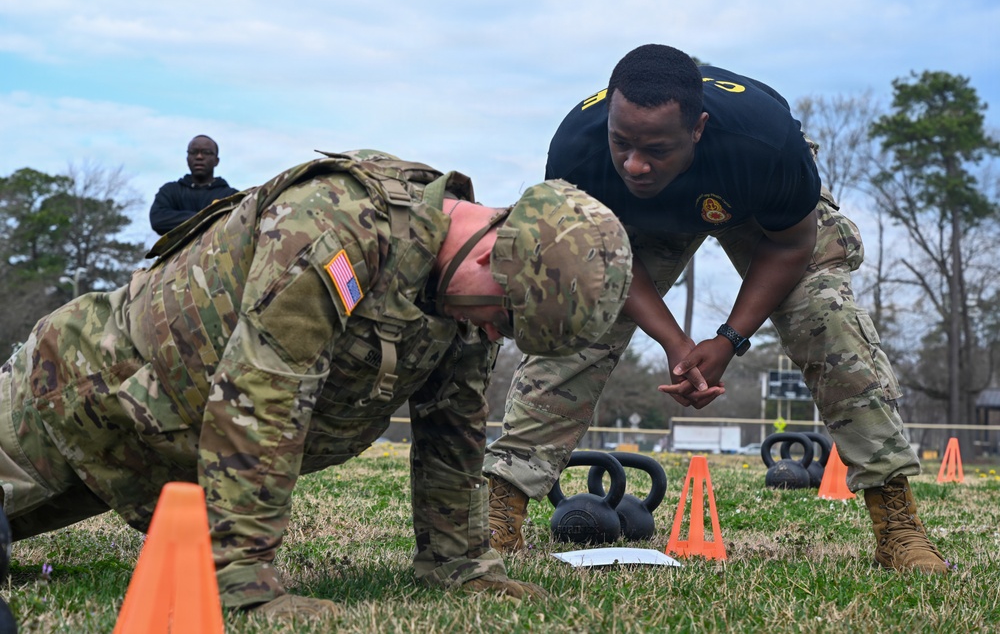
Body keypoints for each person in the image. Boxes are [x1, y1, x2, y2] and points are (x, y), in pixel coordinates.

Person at [0, 149, 633, 618]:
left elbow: (454, 431)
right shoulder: (338, 222)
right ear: (490, 255)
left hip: (160, 452)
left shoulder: (459, 304)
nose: (496, 334)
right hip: (79, 394)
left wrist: (461, 564)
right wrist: (243, 580)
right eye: (504, 317)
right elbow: (265, 391)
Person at [485, 44, 948, 574]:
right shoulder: (577, 150)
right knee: (575, 318)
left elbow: (791, 245)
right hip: (636, 227)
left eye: (656, 148)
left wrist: (728, 340)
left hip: (758, 210)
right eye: (622, 143)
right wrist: (674, 340)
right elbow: (600, 258)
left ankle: (898, 525)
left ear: (698, 129)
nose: (635, 164)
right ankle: (502, 510)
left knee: (828, 320)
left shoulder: (766, 144)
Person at [149, 134, 239, 235]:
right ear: (187, 158)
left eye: (206, 152)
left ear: (216, 161)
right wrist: (208, 217)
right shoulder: (170, 191)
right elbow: (158, 220)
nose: (199, 156)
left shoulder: (232, 196)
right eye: (193, 152)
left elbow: (238, 225)